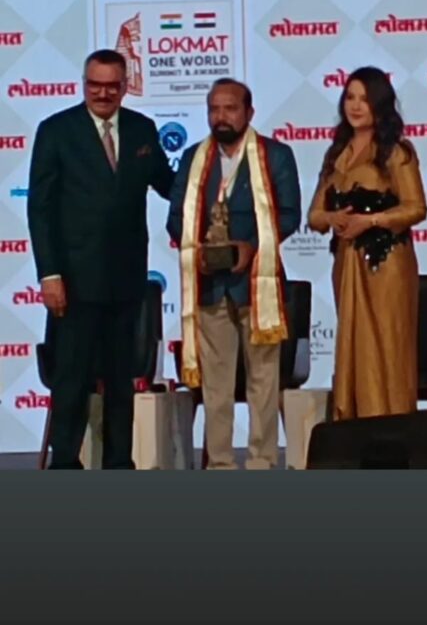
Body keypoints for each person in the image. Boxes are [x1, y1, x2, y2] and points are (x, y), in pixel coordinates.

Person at [27, 49, 175, 469]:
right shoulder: (56, 130)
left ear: (125, 86)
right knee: (71, 380)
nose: (103, 93)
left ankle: (118, 465)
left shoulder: (142, 129)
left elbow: (170, 185)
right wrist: (49, 274)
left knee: (121, 383)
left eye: (112, 86)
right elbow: (40, 208)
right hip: (73, 281)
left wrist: (210, 180)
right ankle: (65, 464)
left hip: (126, 279)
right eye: (95, 85)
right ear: (84, 84)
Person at [167, 78, 302, 470]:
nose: (221, 117)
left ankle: (262, 462)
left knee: (263, 381)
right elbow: (176, 216)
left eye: (230, 108)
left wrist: (252, 247)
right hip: (210, 285)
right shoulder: (194, 158)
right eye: (214, 109)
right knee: (216, 385)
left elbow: (288, 214)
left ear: (249, 112)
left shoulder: (275, 156)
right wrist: (196, 249)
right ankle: (220, 466)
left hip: (257, 287)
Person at [308, 66, 427, 420]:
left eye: (364, 98)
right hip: (347, 264)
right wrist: (333, 218)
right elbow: (314, 215)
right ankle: (354, 427)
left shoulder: (396, 151)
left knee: (387, 344)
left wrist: (370, 221)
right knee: (353, 344)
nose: (355, 106)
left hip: (387, 263)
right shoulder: (336, 153)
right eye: (350, 97)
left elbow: (416, 208)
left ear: (380, 104)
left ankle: (393, 426)